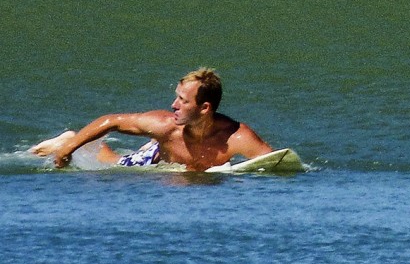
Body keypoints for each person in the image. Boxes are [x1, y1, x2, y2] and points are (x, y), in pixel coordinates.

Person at [31, 67, 273, 172]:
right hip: (155, 160)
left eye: (183, 101)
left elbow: (278, 163)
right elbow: (111, 121)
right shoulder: (166, 126)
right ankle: (70, 139)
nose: (173, 105)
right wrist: (69, 149)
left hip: (183, 172)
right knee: (113, 166)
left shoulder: (237, 137)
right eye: (176, 97)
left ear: (204, 108)